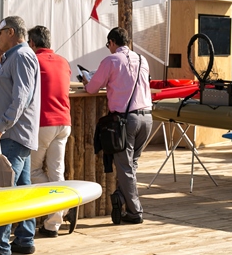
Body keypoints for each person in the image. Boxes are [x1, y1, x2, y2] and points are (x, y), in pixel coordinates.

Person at [0, 16, 41, 255]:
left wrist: (1, 124)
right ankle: (24, 239)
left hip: (12, 135)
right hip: (15, 135)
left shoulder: (21, 57)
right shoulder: (19, 57)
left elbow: (21, 99)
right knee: (21, 190)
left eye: (1, 33)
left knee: (4, 191)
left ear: (11, 32)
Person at [83, 27, 152, 225]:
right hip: (147, 117)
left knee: (125, 167)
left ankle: (135, 211)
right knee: (131, 164)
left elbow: (91, 88)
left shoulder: (111, 60)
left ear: (112, 42)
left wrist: (87, 80)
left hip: (125, 121)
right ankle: (122, 197)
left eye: (108, 45)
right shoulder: (142, 59)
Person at [27, 25, 76, 237]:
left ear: (32, 43)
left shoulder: (33, 61)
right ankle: (54, 221)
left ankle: (61, 208)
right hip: (64, 121)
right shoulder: (63, 62)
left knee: (32, 171)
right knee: (57, 172)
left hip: (43, 122)